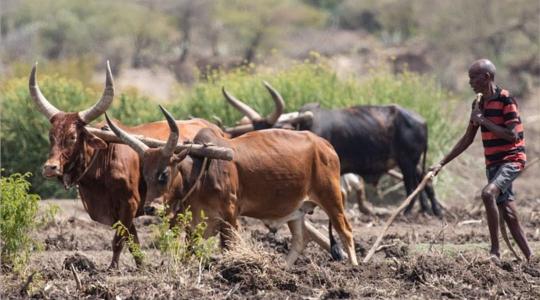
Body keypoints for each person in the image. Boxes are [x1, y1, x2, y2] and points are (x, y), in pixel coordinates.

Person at [430, 58, 532, 262]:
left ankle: (495, 251)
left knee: (488, 194)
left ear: (486, 77)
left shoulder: (506, 100)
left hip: (512, 159)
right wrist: (441, 163)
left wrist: (483, 120)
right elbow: (468, 139)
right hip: (493, 163)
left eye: (473, 78)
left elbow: (513, 136)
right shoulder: (478, 103)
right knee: (510, 215)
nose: (470, 83)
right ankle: (531, 258)